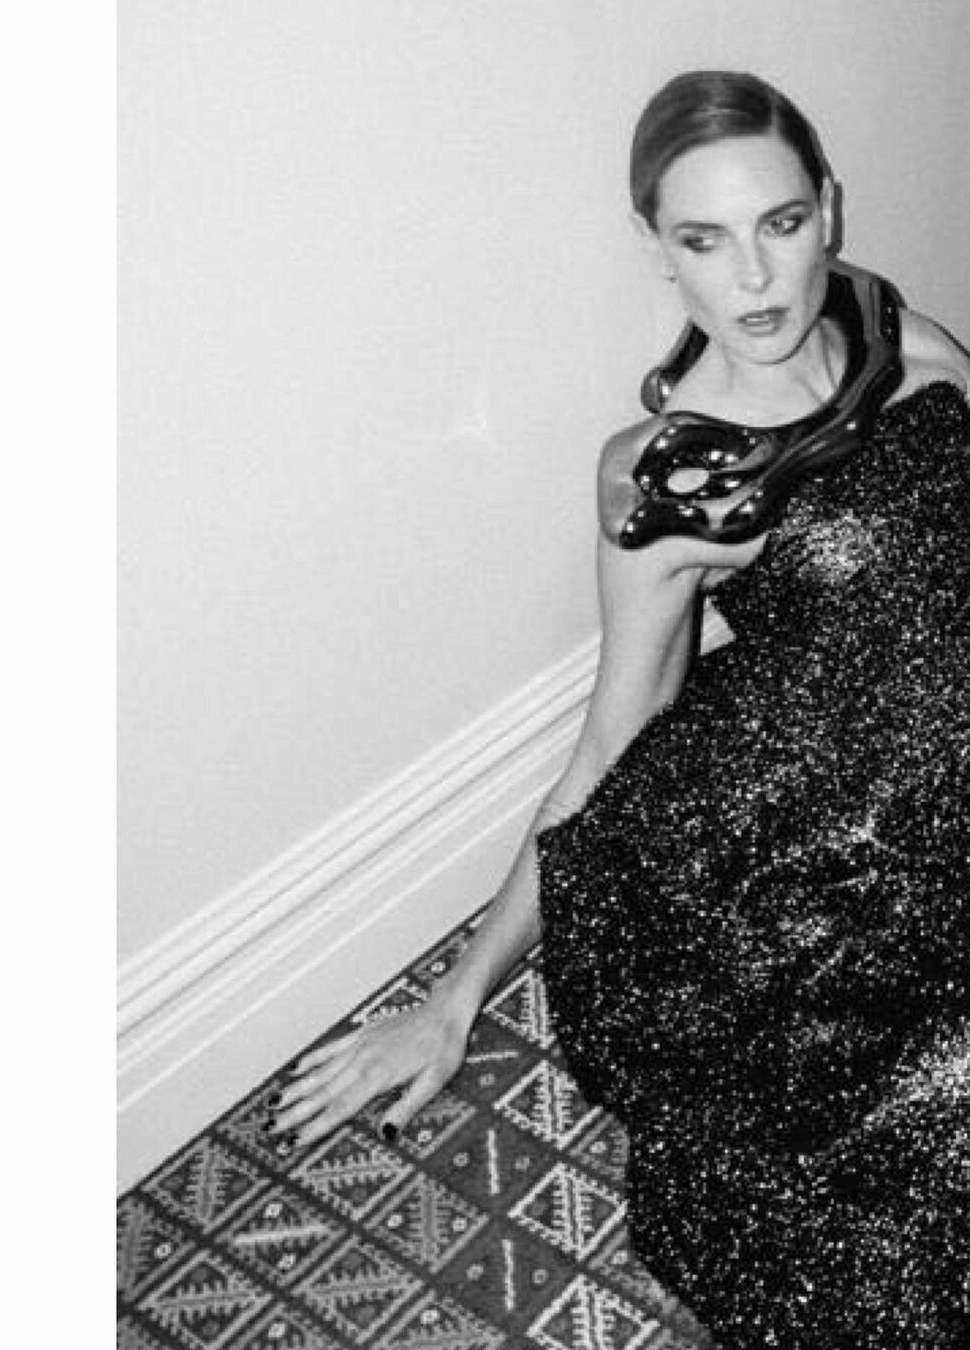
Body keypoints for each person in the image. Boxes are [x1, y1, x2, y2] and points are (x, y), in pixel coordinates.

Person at [267, 71, 970, 1347]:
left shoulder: (907, 339)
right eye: (704, 239)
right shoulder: (665, 483)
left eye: (781, 224)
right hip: (837, 838)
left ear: (829, 210)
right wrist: (457, 997)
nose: (753, 278)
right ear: (658, 249)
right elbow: (611, 735)